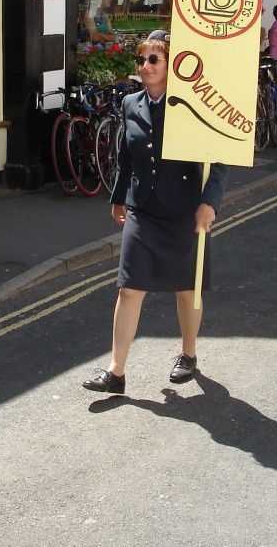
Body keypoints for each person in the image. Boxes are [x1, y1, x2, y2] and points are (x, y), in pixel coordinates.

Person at [82, 34, 228, 395]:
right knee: (129, 289)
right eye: (142, 59)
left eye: (153, 60)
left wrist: (209, 204)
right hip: (142, 209)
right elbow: (126, 157)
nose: (144, 66)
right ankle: (116, 372)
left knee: (186, 288)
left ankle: (188, 354)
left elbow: (218, 155)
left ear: (170, 65)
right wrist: (117, 199)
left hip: (184, 210)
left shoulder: (192, 103)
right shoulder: (131, 103)